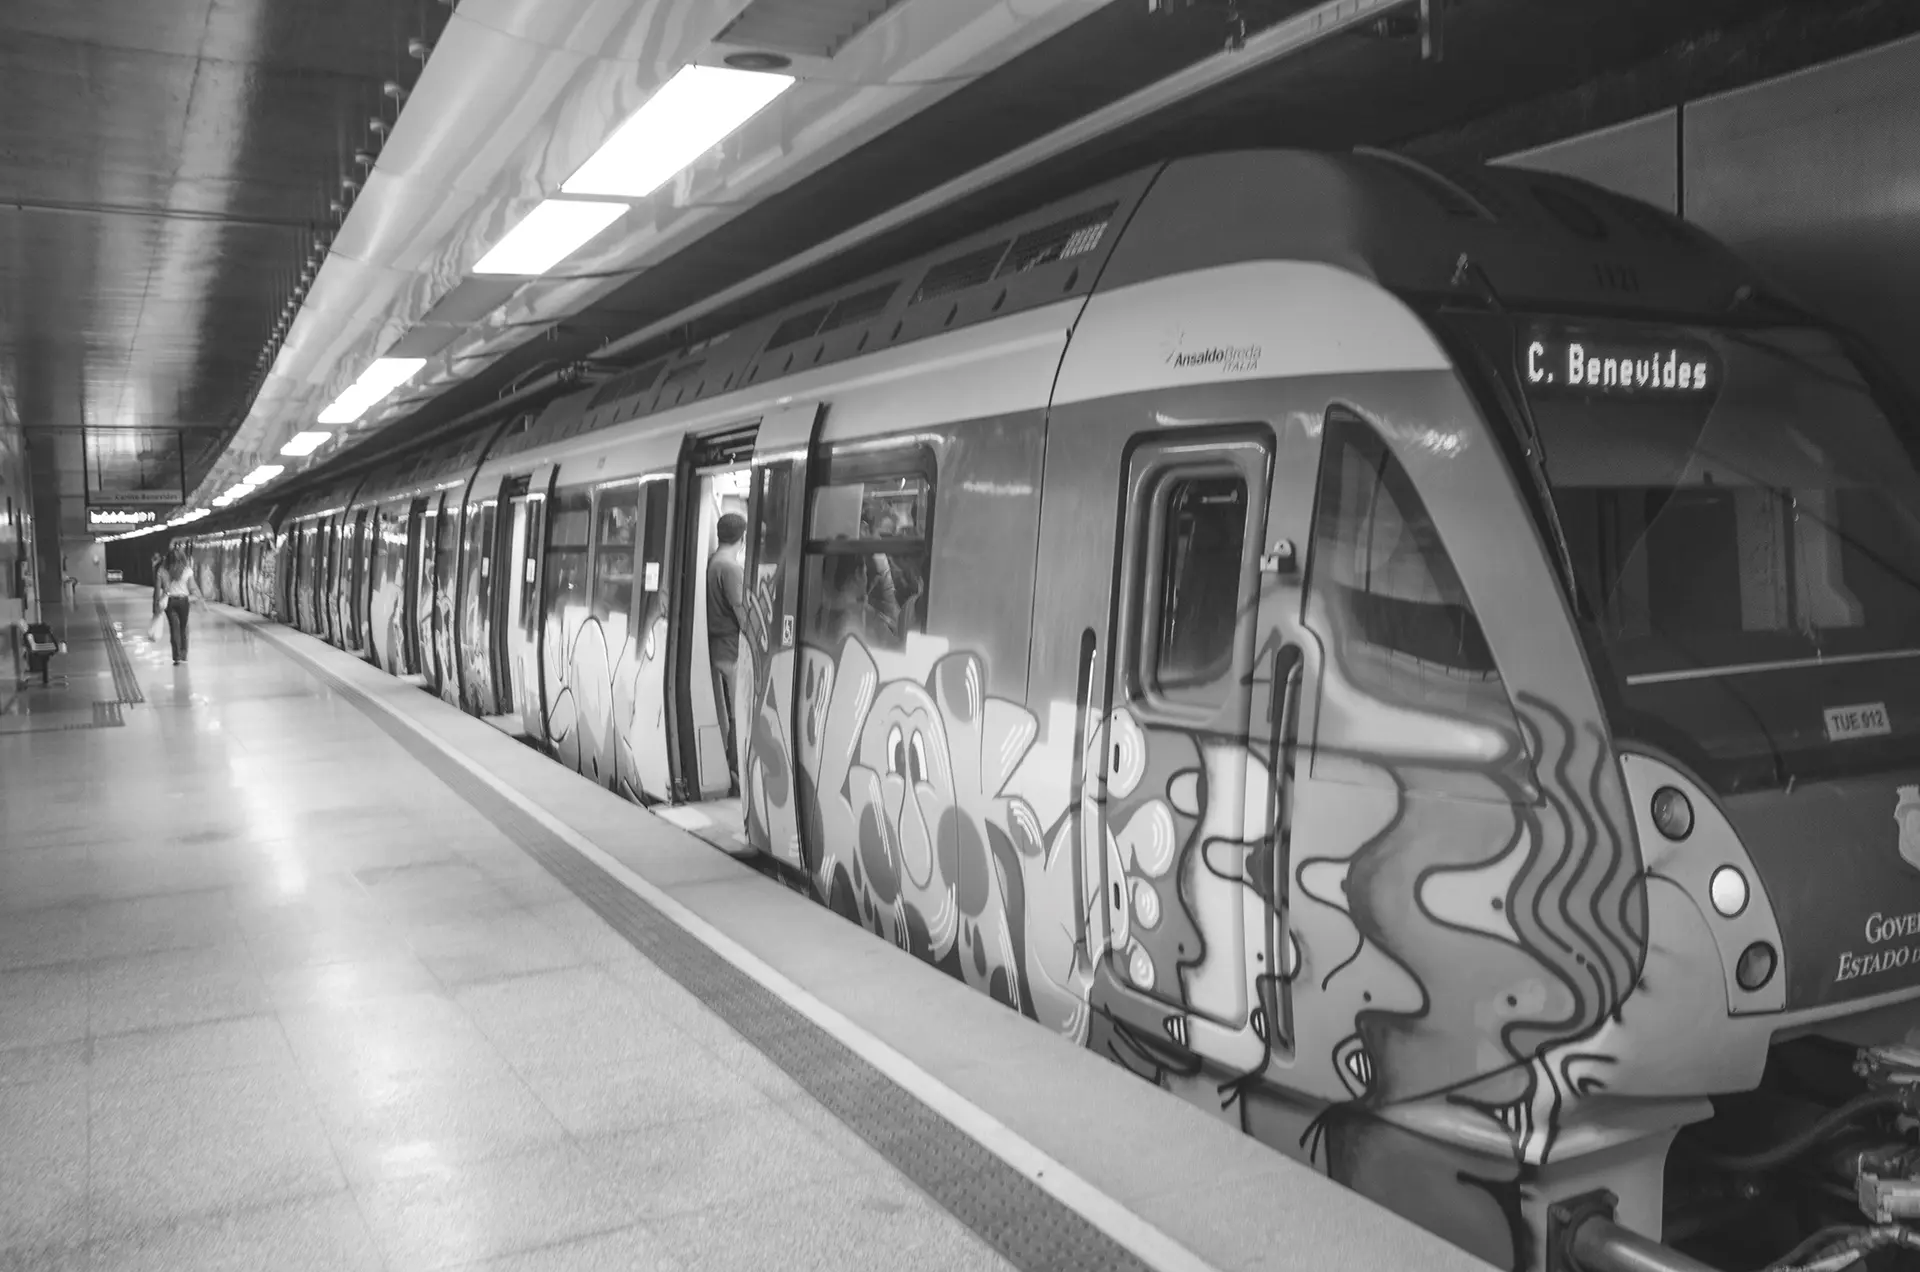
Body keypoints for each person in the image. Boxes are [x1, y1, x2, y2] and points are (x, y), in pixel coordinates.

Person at [705, 513, 749, 796]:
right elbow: (741, 612)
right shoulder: (730, 568)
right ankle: (735, 773)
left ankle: (729, 768)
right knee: (738, 715)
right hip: (732, 651)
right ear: (743, 538)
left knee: (727, 712)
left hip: (715, 647)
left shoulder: (711, 562)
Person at [155, 545, 202, 665]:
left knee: (174, 628)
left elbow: (157, 591)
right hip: (183, 601)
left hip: (169, 601)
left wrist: (155, 606)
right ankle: (183, 655)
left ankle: (176, 656)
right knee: (183, 628)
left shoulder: (162, 570)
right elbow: (192, 588)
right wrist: (197, 598)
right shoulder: (187, 570)